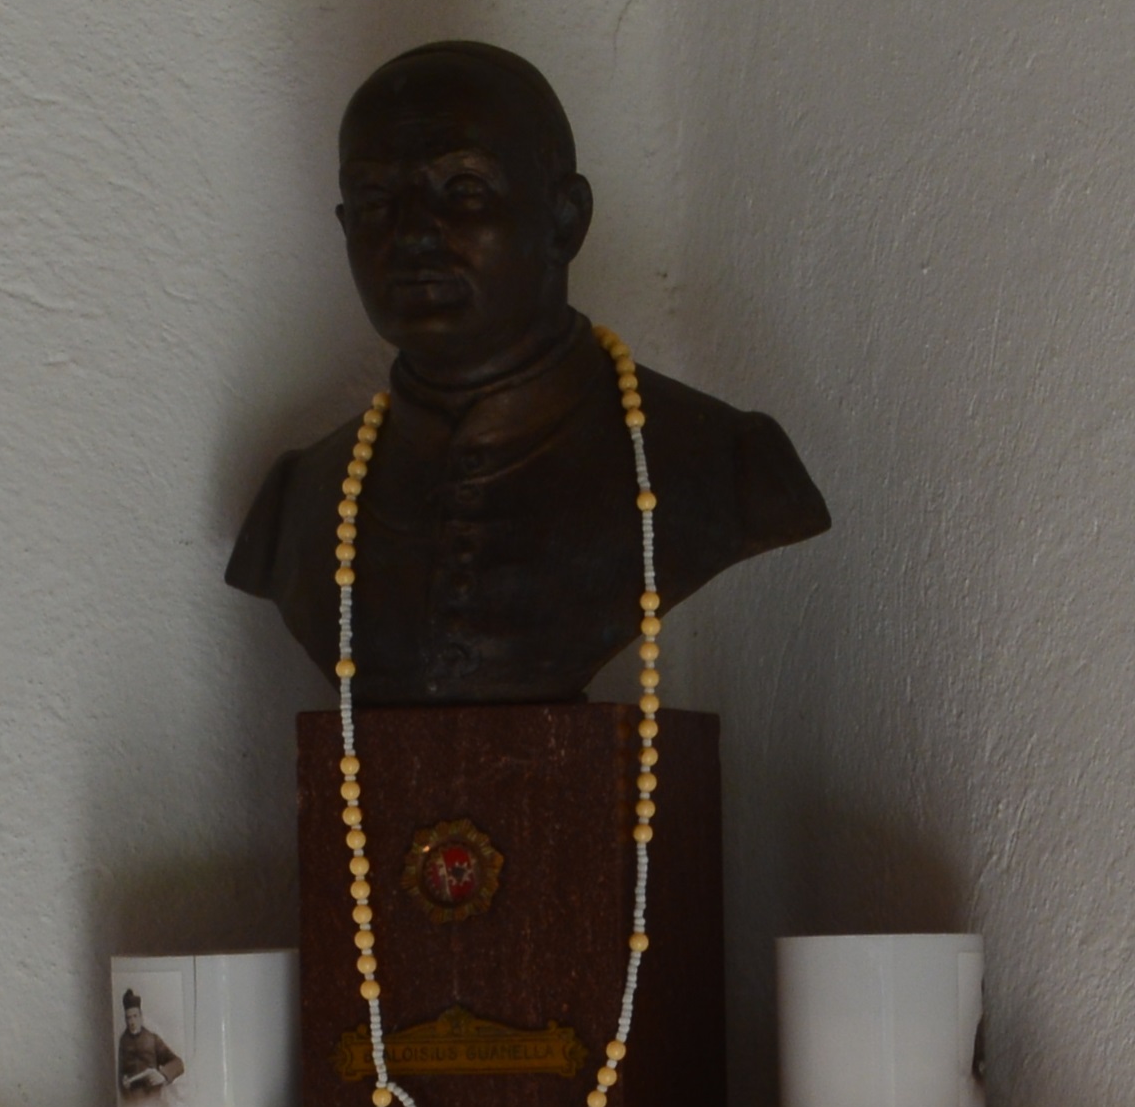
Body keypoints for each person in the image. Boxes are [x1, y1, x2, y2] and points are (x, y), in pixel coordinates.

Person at [224, 44, 833, 707]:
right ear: (345, 227)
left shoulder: (727, 464)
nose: (413, 235)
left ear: (565, 221)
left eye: (463, 189)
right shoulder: (295, 506)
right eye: (375, 199)